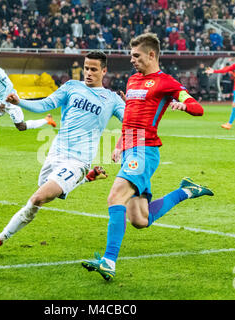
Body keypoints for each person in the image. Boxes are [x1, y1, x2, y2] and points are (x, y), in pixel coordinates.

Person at [81, 33, 213, 281]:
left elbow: (198, 107)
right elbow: (130, 117)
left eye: (136, 55)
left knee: (115, 196)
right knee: (140, 220)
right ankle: (186, 191)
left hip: (145, 151)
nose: (132, 60)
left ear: (151, 55)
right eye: (131, 55)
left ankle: (109, 261)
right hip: (131, 150)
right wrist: (121, 144)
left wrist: (184, 105)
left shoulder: (166, 82)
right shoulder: (132, 81)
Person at [0, 51, 125, 253]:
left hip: (78, 161)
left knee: (38, 198)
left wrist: (130, 111)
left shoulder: (111, 99)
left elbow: (131, 122)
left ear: (104, 71)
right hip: (55, 154)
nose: (89, 73)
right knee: (49, 193)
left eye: (94, 69)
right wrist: (19, 101)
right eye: (86, 68)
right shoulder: (71, 87)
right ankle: (89, 177)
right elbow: (45, 104)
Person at [0, 54, 57, 154]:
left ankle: (47, 120)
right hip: (0, 100)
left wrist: (4, 102)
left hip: (11, 100)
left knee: (21, 127)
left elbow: (10, 85)